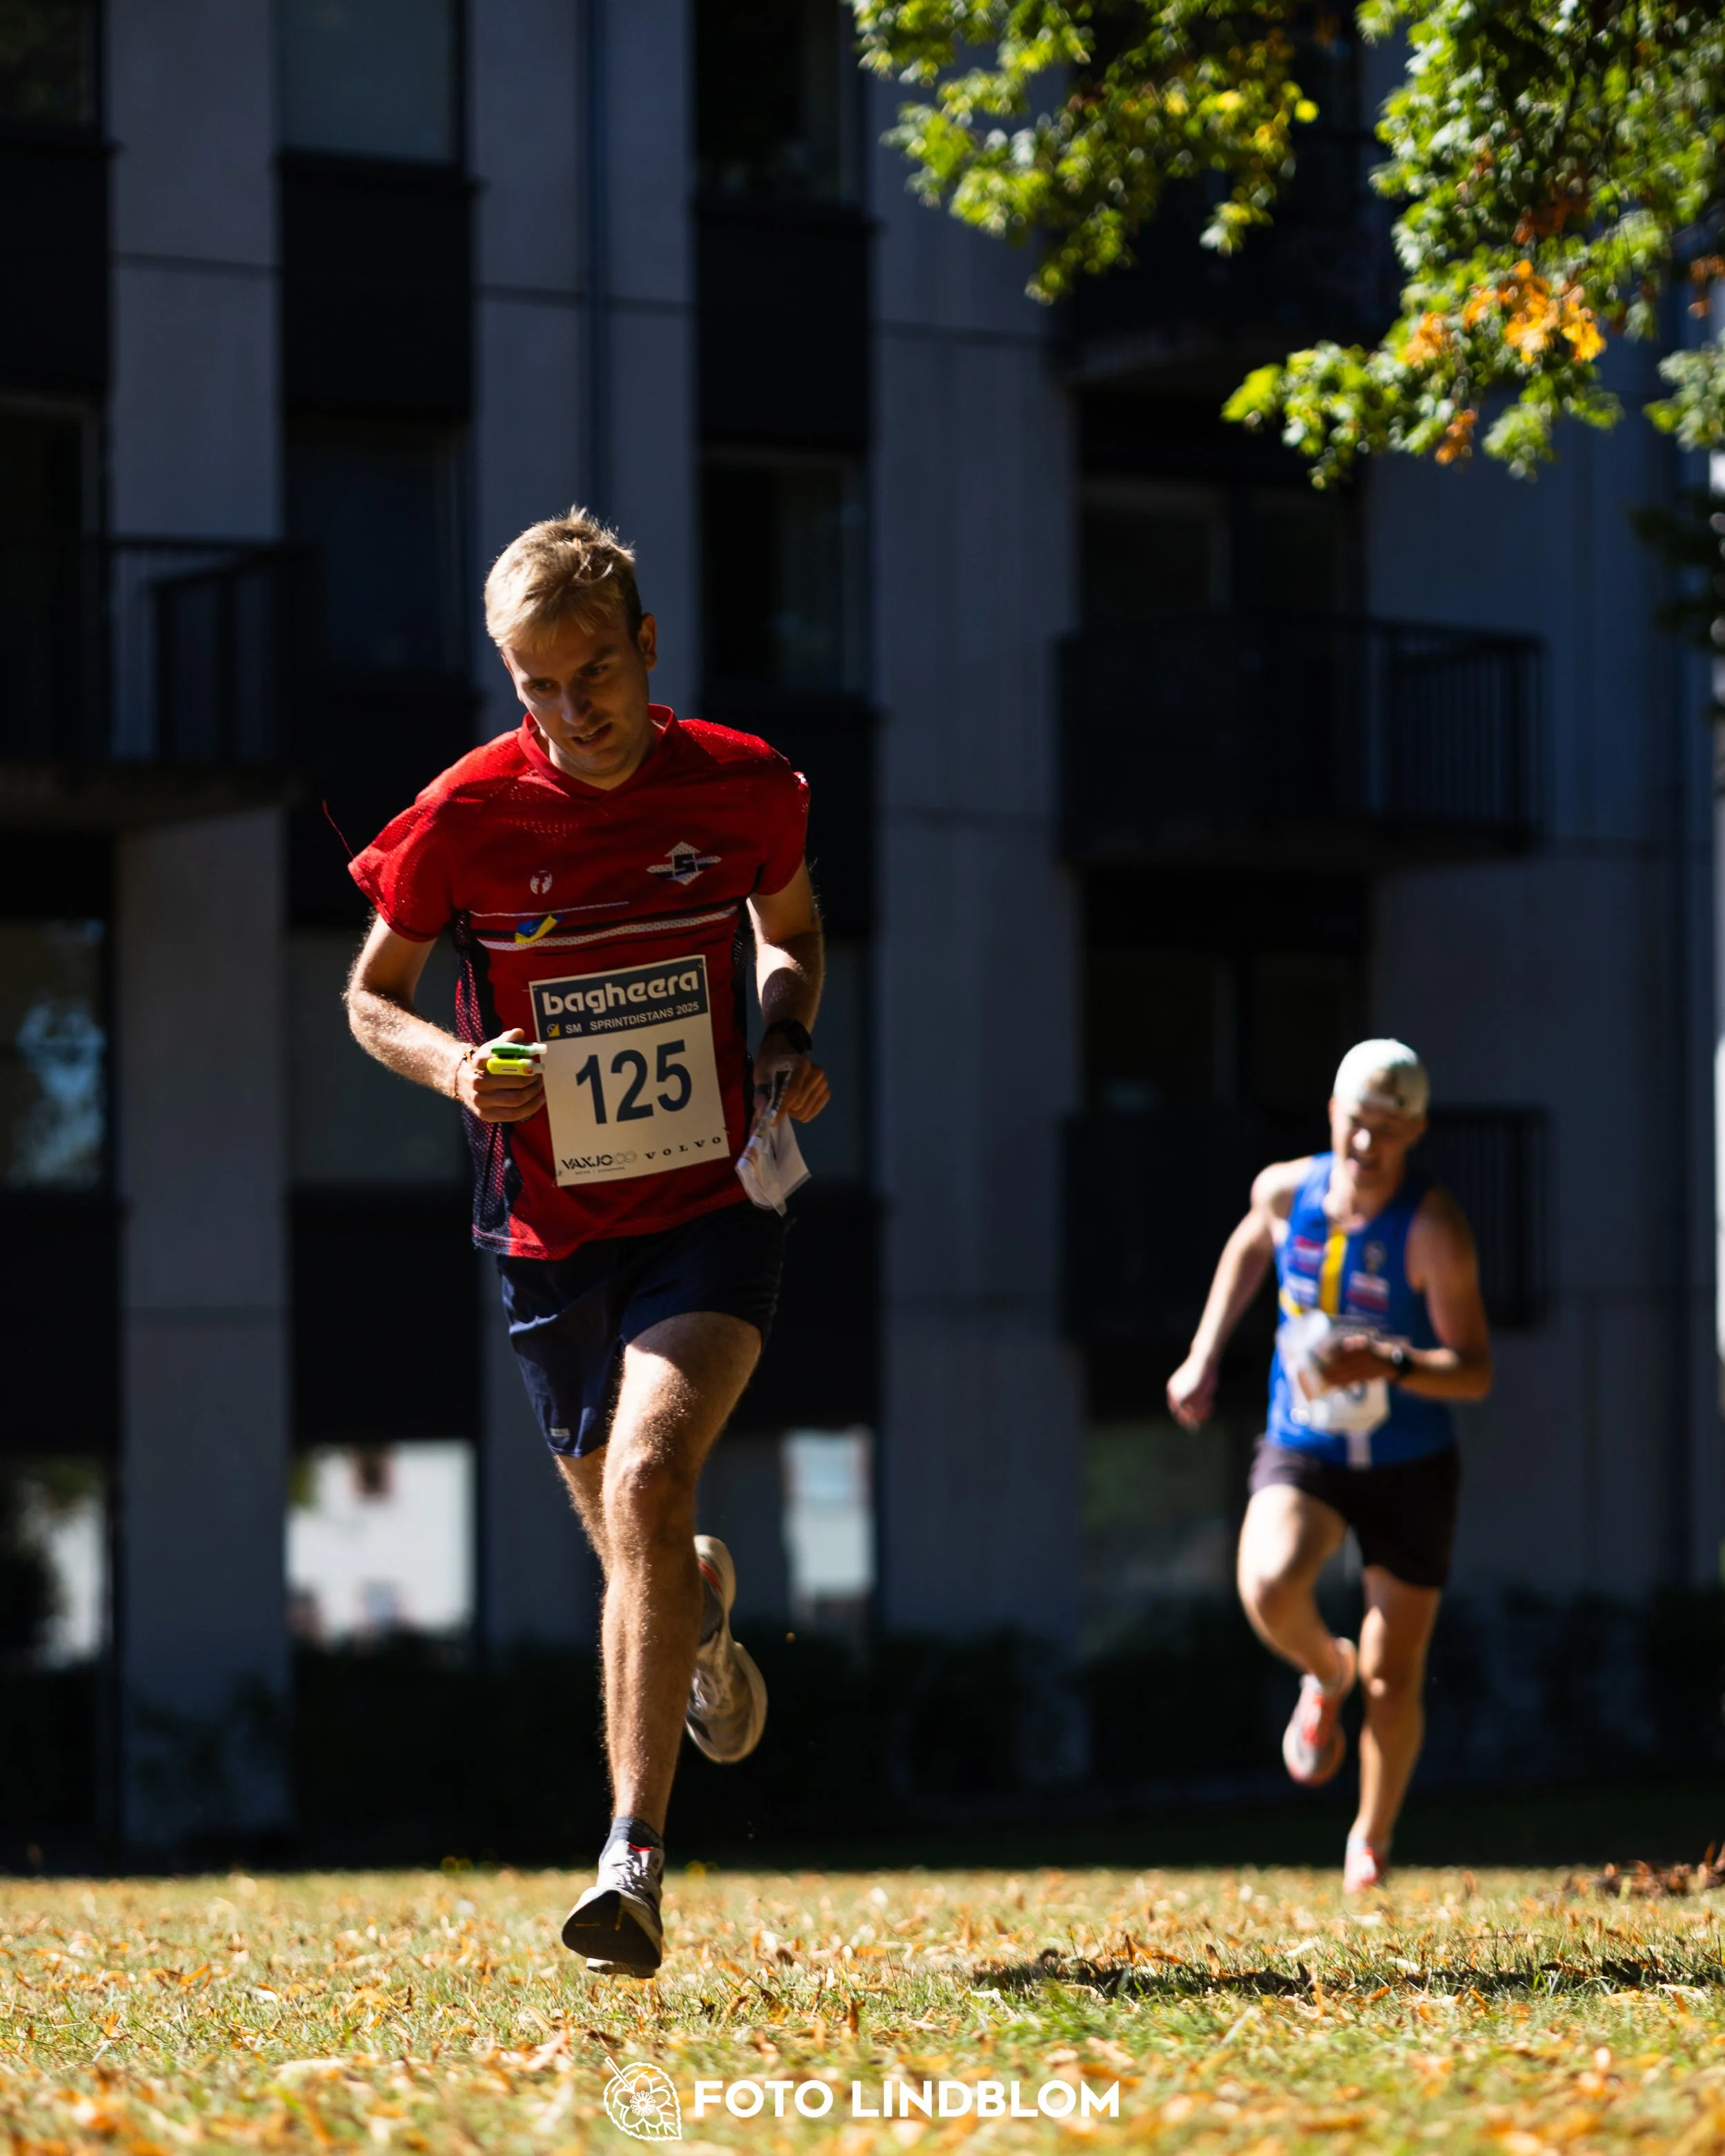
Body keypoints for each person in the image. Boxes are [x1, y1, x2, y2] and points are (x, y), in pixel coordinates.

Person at [344, 509, 829, 1975]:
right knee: (640, 1540)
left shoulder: (740, 784)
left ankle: (630, 1859)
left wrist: (788, 1030)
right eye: (536, 686)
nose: (572, 714)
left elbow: (789, 925)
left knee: (647, 1469)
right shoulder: (464, 815)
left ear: (647, 645)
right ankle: (703, 1613)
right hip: (546, 1226)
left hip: (708, 1207)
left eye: (596, 673)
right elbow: (371, 993)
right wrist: (452, 1066)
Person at [1165, 1042, 1491, 1890]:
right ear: (1331, 1115)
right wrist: (1203, 1354)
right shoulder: (1287, 1190)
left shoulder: (1432, 1226)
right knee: (1268, 1582)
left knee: (1396, 1674)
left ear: (1414, 1130)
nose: (1364, 1145)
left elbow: (1474, 1367)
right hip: (1304, 1441)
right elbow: (1250, 1243)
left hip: (1408, 1463)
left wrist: (1390, 1359)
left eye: (1385, 1129)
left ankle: (1369, 1844)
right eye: (1354, 1123)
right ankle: (1324, 1667)